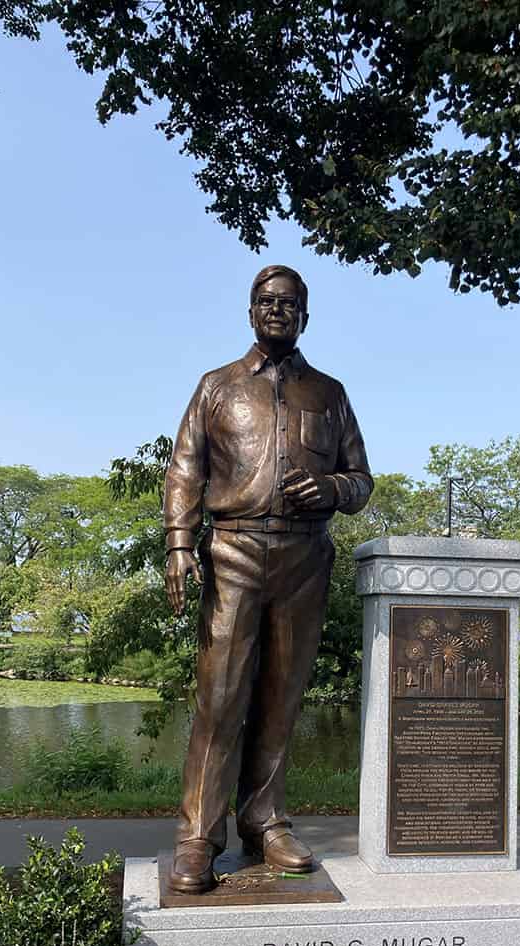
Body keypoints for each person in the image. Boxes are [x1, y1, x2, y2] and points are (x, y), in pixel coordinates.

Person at [163, 265, 373, 893]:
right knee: (221, 695)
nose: (276, 310)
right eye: (265, 301)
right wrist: (179, 543)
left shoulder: (329, 394)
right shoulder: (216, 386)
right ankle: (199, 834)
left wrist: (331, 488)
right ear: (250, 312)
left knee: (282, 699)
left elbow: (361, 479)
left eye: (288, 303)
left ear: (305, 316)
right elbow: (185, 470)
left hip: (305, 557)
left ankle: (265, 820)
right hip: (233, 551)